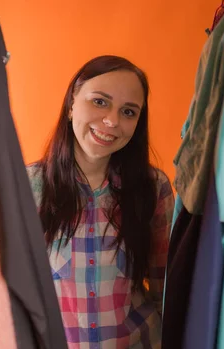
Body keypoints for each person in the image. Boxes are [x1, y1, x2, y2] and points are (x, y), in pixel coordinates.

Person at [26, 55, 174, 348]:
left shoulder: (153, 187)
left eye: (129, 112)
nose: (112, 121)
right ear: (71, 105)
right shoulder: (28, 186)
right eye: (100, 102)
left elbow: (165, 288)